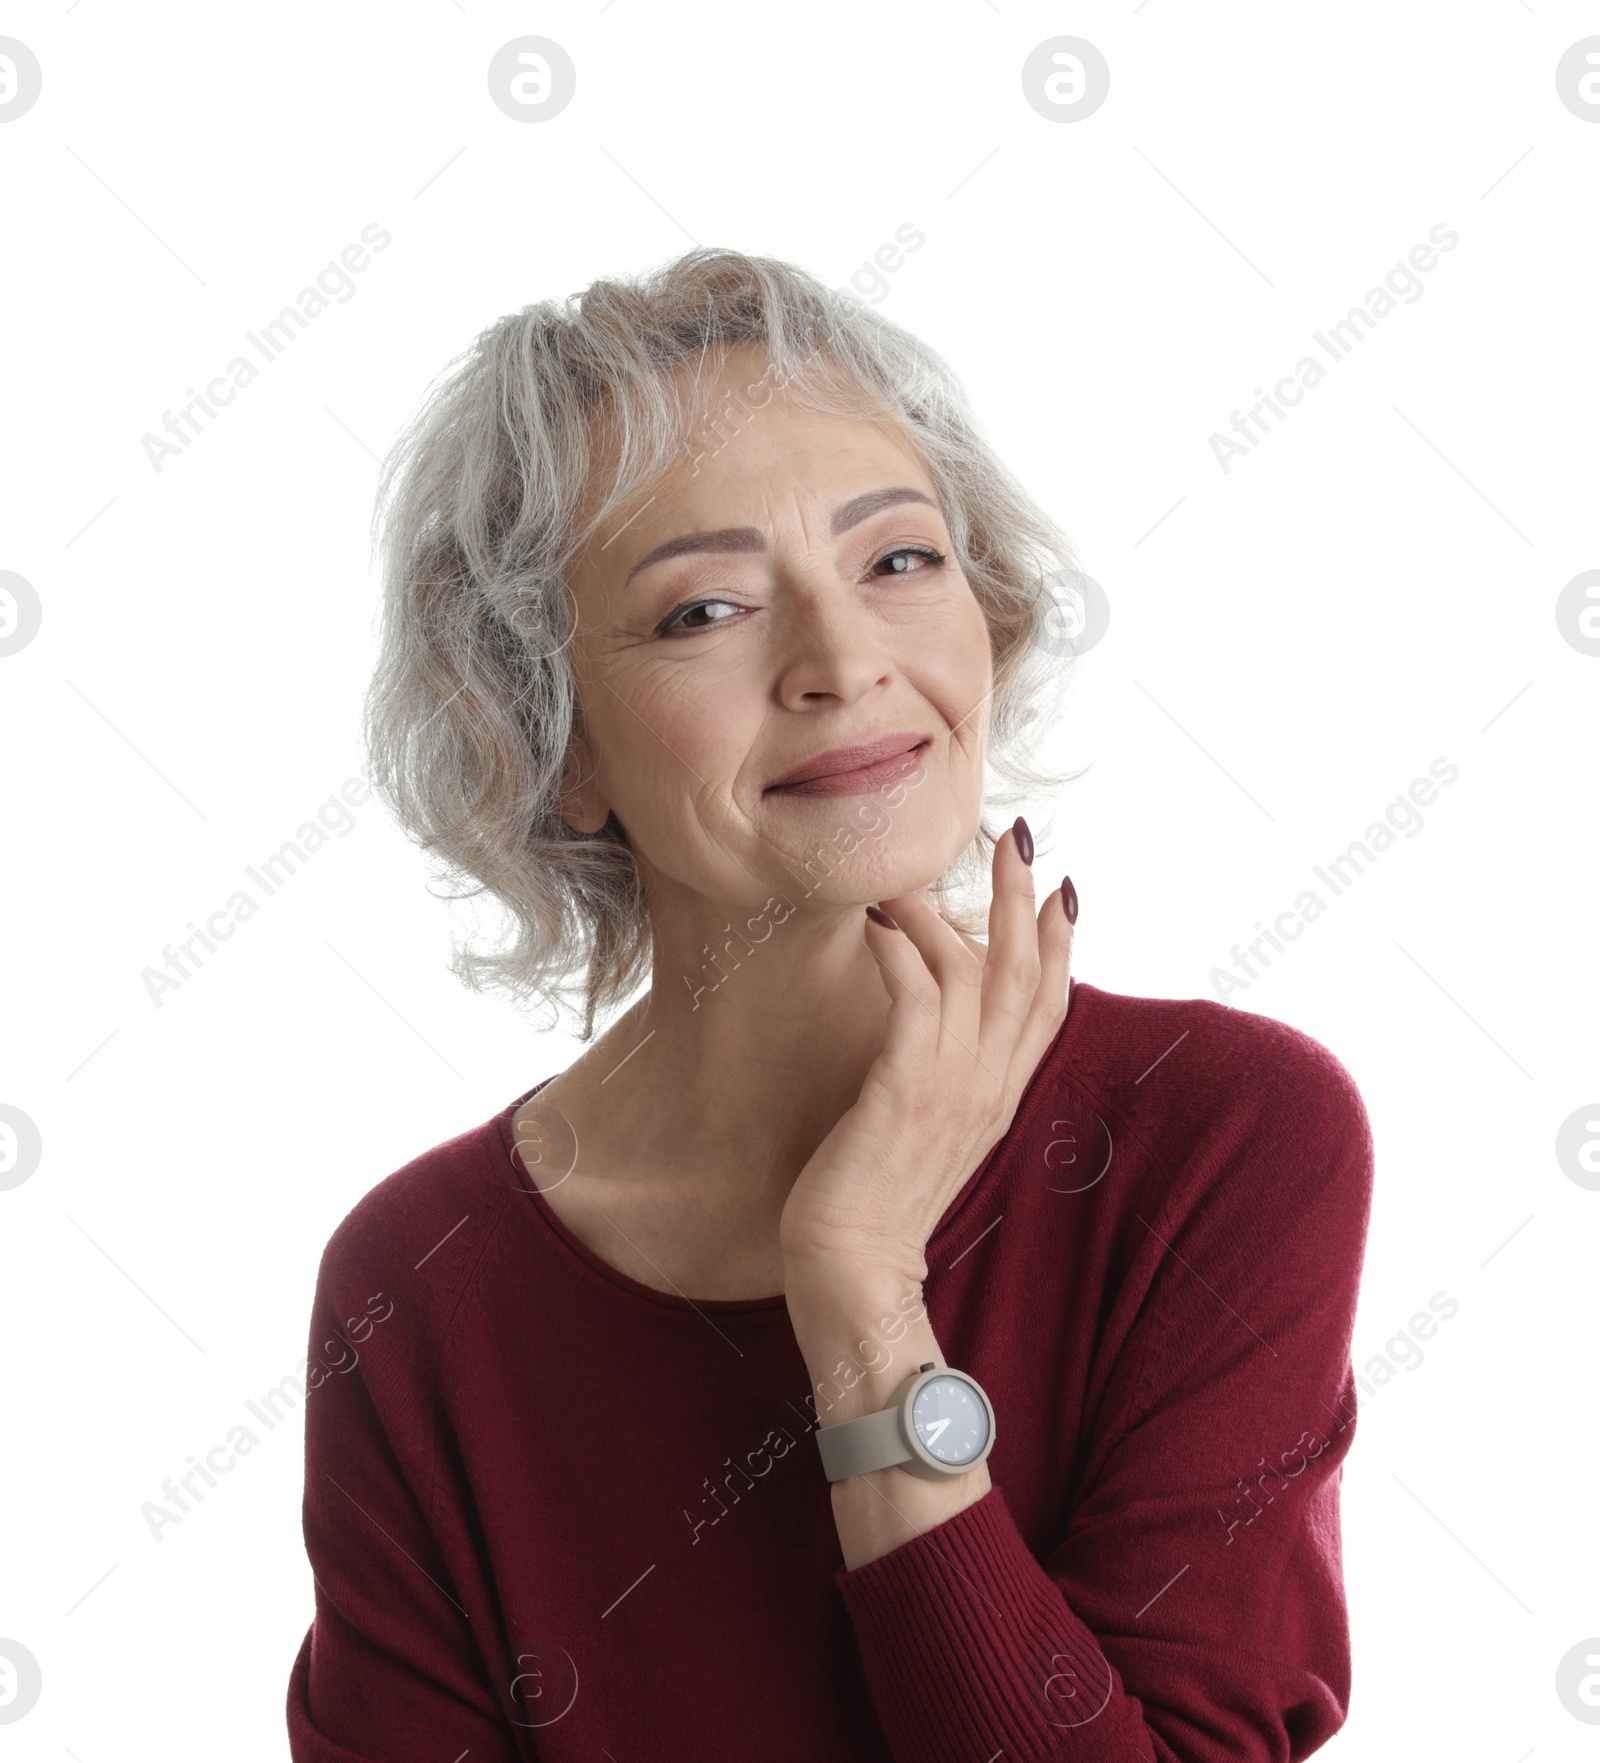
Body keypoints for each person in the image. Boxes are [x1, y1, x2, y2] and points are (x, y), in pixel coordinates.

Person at [286, 248, 1374, 1762]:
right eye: (704, 609)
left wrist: (862, 1297)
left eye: (900, 561)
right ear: (549, 740)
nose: (845, 661)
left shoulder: (1224, 1137)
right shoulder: (423, 1285)